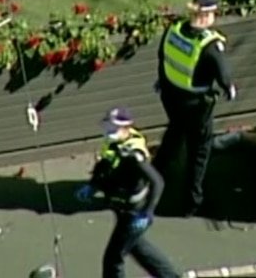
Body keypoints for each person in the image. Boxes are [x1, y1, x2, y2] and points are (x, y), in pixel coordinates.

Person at [152, 0, 238, 217]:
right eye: (214, 13)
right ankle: (193, 202)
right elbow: (224, 77)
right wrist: (229, 89)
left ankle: (153, 176)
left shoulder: (174, 30)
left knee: (175, 132)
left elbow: (163, 57)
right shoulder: (209, 45)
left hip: (171, 97)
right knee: (199, 152)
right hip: (196, 107)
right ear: (206, 15)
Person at [75, 107, 181, 278]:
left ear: (126, 128)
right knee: (137, 248)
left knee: (113, 258)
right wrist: (93, 185)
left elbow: (157, 182)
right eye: (108, 126)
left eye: (113, 128)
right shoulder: (114, 142)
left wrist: (146, 214)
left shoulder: (133, 154)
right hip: (122, 208)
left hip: (134, 213)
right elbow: (106, 164)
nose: (108, 131)